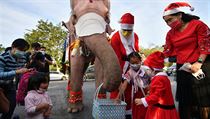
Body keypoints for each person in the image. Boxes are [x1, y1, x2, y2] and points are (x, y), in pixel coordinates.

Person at [64, 0, 121, 113]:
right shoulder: (73, 20)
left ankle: (100, 99)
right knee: (75, 73)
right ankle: (75, 100)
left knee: (101, 73)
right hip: (79, 42)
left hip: (100, 39)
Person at [162, 2, 210, 119]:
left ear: (180, 15)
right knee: (185, 100)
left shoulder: (198, 25)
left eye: (170, 19)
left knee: (203, 99)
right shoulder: (170, 34)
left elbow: (205, 45)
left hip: (201, 65)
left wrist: (198, 63)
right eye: (166, 22)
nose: (168, 24)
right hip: (183, 67)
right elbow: (168, 51)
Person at [110, 12, 140, 117]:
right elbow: (115, 58)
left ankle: (128, 113)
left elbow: (136, 53)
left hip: (132, 67)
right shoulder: (115, 37)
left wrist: (136, 67)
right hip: (119, 66)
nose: (126, 33)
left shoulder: (135, 36)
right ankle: (115, 114)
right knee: (117, 92)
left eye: (129, 31)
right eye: (124, 30)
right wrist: (118, 75)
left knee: (130, 92)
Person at [135, 51, 179, 119]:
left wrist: (143, 100)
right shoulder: (162, 78)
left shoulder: (159, 79)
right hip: (161, 109)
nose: (147, 71)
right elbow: (160, 93)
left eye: (147, 69)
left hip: (161, 112)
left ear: (153, 69)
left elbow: (157, 96)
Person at [0, 38, 30, 119]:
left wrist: (26, 72)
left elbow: (21, 70)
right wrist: (16, 72)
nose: (22, 52)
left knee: (12, 104)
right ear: (13, 46)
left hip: (10, 84)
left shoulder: (23, 58)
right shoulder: (3, 58)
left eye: (24, 51)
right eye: (20, 49)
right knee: (3, 107)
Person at [116, 52, 149, 119]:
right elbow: (124, 85)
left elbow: (154, 81)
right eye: (132, 63)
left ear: (140, 60)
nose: (135, 65)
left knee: (147, 113)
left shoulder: (146, 70)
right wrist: (118, 96)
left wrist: (150, 92)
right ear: (129, 63)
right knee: (137, 114)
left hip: (148, 94)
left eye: (137, 62)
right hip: (136, 97)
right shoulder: (129, 72)